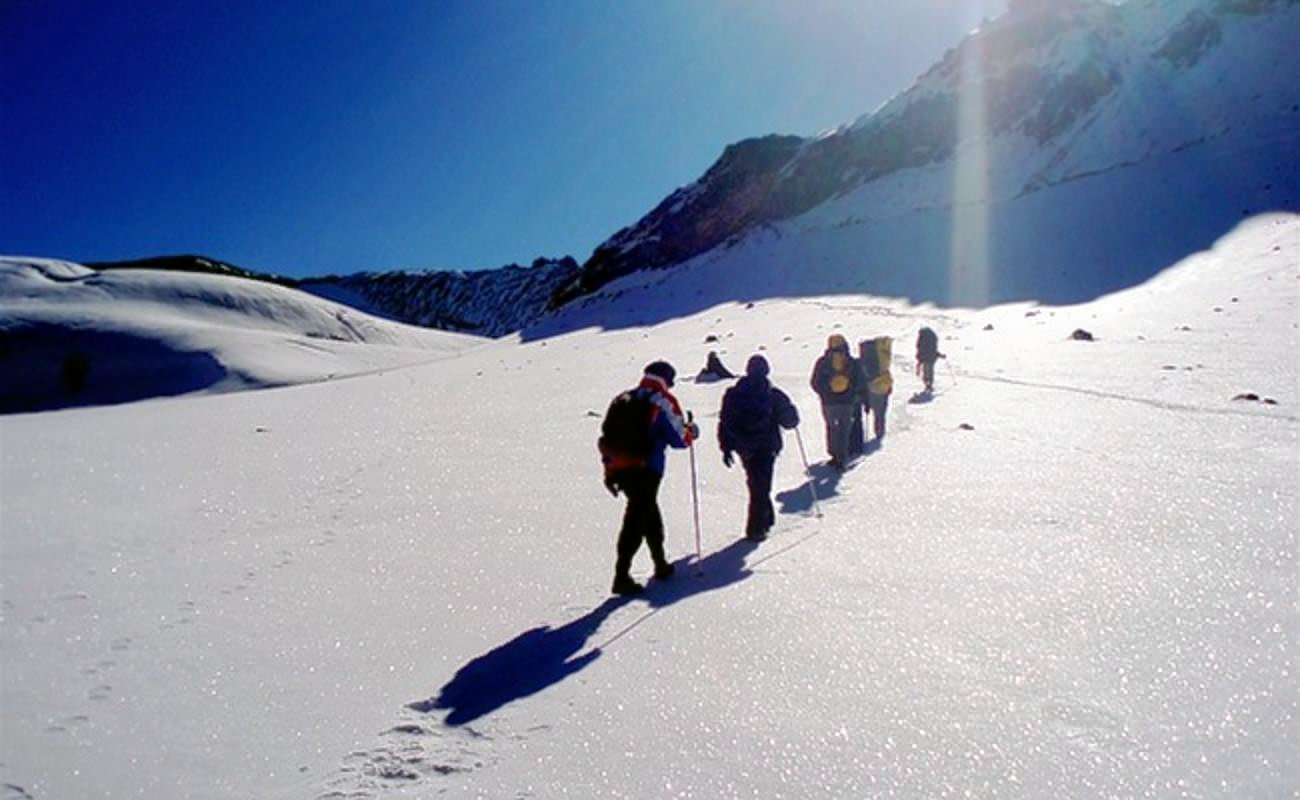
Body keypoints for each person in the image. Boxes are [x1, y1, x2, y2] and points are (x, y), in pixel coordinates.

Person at [598, 360, 699, 596]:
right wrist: (692, 431)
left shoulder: (623, 398)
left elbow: (608, 438)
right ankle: (621, 576)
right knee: (637, 520)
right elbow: (679, 439)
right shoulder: (661, 400)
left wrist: (610, 472)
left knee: (647, 514)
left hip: (621, 469)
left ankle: (660, 564)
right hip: (647, 468)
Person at [718, 355, 799, 541]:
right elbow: (789, 421)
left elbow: (725, 421)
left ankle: (766, 519)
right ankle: (755, 529)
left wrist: (726, 447)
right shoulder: (772, 393)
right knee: (761, 486)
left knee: (755, 482)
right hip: (766, 446)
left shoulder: (733, 393)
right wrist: (792, 417)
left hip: (743, 446)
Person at [809, 334, 859, 470]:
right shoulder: (852, 362)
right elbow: (859, 381)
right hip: (847, 402)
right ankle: (841, 457)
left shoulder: (822, 362)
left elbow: (814, 382)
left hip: (828, 403)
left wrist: (824, 393)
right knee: (844, 429)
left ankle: (833, 454)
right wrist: (852, 393)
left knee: (831, 428)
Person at [859, 337, 894, 442]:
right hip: (882, 385)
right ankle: (879, 432)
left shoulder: (867, 357)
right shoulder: (882, 355)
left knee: (877, 411)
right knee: (880, 412)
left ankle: (878, 432)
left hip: (872, 385)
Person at [915, 326, 942, 393]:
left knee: (926, 370)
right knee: (930, 369)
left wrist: (919, 358)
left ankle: (927, 383)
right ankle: (929, 383)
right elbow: (934, 348)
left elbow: (919, 347)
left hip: (925, 357)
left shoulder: (922, 338)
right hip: (932, 357)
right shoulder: (933, 337)